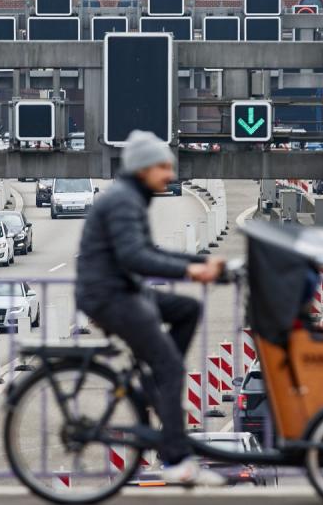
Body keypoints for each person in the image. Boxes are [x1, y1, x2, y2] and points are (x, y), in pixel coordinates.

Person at [75, 130, 226, 485]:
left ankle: (155, 386)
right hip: (111, 296)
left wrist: (202, 263)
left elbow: (152, 252)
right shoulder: (124, 201)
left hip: (124, 291)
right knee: (172, 368)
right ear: (143, 168)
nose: (170, 175)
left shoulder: (133, 197)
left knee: (186, 310)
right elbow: (135, 257)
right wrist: (191, 269)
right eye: (163, 167)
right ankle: (175, 461)